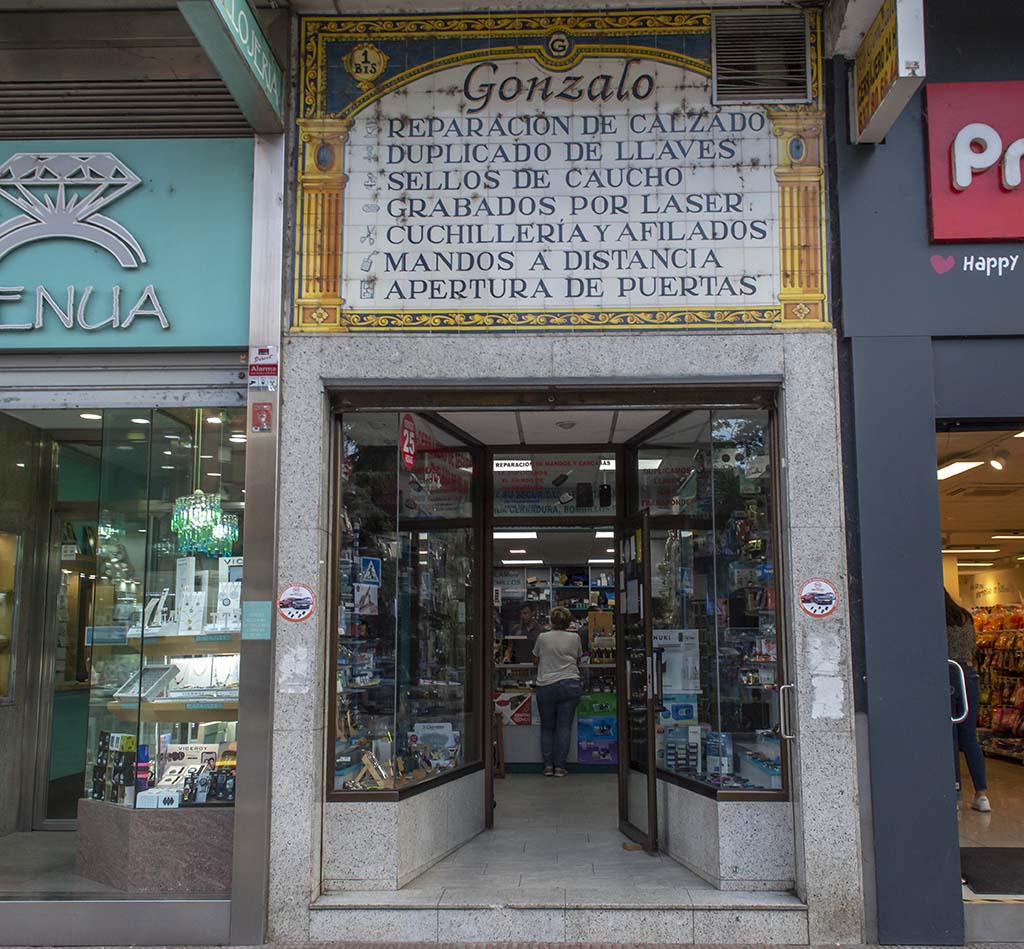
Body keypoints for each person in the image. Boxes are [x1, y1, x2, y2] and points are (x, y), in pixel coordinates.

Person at [946, 589, 990, 812]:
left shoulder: (935, 618)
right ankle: (981, 793)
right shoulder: (965, 617)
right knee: (969, 737)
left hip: (946, 674)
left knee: (950, 737)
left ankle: (954, 791)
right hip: (968, 676)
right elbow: (973, 648)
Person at [532, 606, 582, 777]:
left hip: (546, 685)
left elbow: (535, 660)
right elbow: (578, 659)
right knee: (564, 726)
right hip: (570, 684)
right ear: (569, 621)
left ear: (551, 621)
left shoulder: (542, 637)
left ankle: (548, 766)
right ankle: (560, 767)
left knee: (547, 727)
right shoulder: (575, 637)